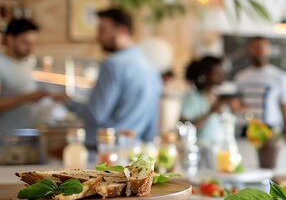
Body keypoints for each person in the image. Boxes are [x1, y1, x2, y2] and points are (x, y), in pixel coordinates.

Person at [59, 8, 162, 147]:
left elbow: (96, 115)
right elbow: (152, 126)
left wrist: (68, 102)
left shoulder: (113, 64)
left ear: (122, 31)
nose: (98, 36)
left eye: (102, 30)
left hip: (105, 151)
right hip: (135, 150)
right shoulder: (150, 67)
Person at [235, 37, 286, 144]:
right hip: (246, 130)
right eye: (255, 47)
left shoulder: (280, 77)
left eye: (261, 47)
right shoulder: (241, 77)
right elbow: (238, 104)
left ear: (268, 49)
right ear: (249, 50)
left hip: (270, 130)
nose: (258, 51)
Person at [0, 19, 49, 131]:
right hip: (6, 139)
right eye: (25, 43)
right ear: (10, 39)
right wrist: (26, 98)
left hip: (28, 134)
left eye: (33, 44)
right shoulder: (1, 64)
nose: (30, 48)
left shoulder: (27, 62)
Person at [179, 56, 226, 143]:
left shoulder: (217, 96)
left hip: (219, 149)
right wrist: (210, 112)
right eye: (218, 71)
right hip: (200, 149)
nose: (222, 74)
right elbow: (184, 126)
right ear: (205, 74)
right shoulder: (193, 98)